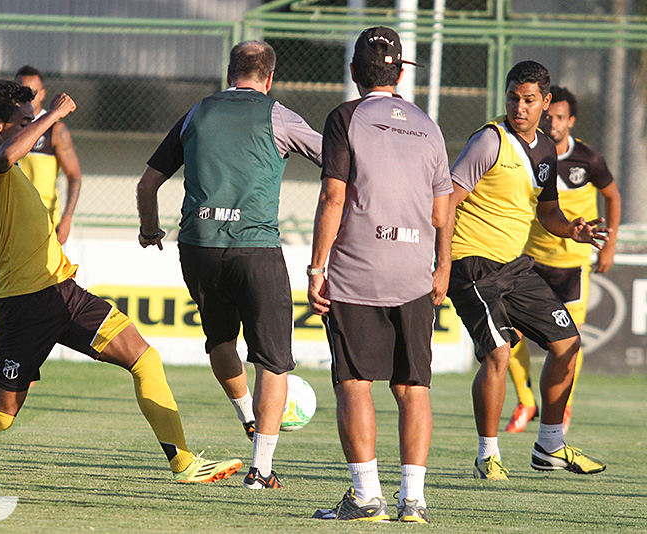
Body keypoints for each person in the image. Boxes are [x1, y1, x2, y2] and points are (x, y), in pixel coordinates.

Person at [0, 80, 241, 484]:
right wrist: (52, 114)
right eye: (24, 121)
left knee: (145, 358)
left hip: (64, 293)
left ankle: (183, 463)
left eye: (33, 119)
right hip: (23, 307)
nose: (34, 127)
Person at [136, 41, 322, 490]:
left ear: (229, 72)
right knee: (273, 360)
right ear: (270, 77)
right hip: (254, 247)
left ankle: (247, 418)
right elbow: (336, 160)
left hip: (198, 245)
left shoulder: (197, 112)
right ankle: (261, 469)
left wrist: (149, 230)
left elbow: (147, 184)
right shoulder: (278, 115)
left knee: (220, 339)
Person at [307, 26, 452, 523]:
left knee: (355, 382)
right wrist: (443, 266)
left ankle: (368, 497)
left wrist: (316, 266)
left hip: (357, 271)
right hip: (415, 272)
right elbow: (442, 209)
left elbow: (333, 196)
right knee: (414, 388)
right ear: (401, 72)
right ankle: (414, 500)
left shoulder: (345, 117)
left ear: (354, 73)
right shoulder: (427, 125)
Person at [446, 61, 608, 480]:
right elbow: (445, 201)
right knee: (499, 353)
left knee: (568, 344)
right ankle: (488, 454)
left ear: (546, 102)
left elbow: (548, 212)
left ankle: (550, 447)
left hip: (514, 265)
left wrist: (573, 229)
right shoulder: (489, 140)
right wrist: (440, 262)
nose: (520, 107)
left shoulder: (545, 151)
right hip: (471, 262)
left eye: (529, 100)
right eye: (513, 98)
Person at [505, 86, 621, 435]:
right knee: (510, 335)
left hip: (572, 264)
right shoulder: (528, 152)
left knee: (571, 340)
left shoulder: (588, 159)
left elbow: (612, 197)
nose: (552, 123)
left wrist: (609, 245)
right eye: (549, 115)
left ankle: (562, 405)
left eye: (559, 117)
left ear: (570, 121)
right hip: (529, 259)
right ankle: (525, 401)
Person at [0, 65, 82, 303]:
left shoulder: (55, 130)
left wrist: (67, 218)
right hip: (5, 219)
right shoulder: (7, 132)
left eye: (33, 91)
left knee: (42, 291)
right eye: (23, 90)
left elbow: (74, 176)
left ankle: (32, 332)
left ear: (42, 94)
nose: (28, 96)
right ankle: (24, 333)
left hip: (40, 223)